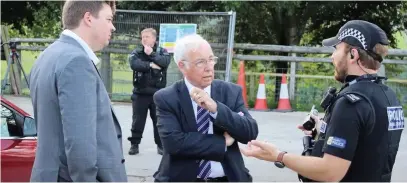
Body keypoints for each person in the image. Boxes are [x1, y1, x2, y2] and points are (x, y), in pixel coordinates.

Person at [240, 20, 404, 182]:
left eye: (337, 49)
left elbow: (330, 172)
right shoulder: (390, 96)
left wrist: (278, 156)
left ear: (353, 54)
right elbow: (369, 144)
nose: (332, 56)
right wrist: (328, 129)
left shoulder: (351, 103)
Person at [28, 0, 127, 182]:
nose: (112, 27)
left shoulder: (49, 54)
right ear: (88, 18)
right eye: (108, 19)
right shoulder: (76, 62)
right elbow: (80, 145)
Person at [152, 34, 259, 182]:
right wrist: (222, 143)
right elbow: (174, 143)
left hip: (227, 177)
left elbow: (250, 132)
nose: (209, 68)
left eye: (211, 60)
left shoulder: (230, 92)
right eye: (201, 62)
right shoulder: (167, 98)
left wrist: (216, 109)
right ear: (182, 66)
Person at [128, 28, 171, 155]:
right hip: (140, 92)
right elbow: (134, 64)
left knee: (158, 121)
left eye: (147, 36)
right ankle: (134, 145)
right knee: (137, 121)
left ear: (154, 38)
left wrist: (152, 54)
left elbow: (165, 62)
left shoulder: (162, 52)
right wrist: (151, 65)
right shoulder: (137, 51)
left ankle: (160, 145)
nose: (144, 39)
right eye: (143, 37)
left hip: (157, 93)